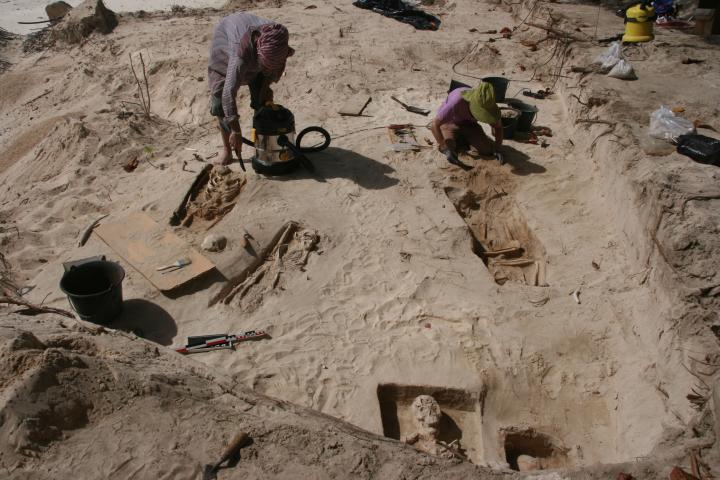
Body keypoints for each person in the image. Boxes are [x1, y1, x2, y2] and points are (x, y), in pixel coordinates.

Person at [208, 13, 295, 165]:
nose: (267, 70)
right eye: (264, 66)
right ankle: (228, 151)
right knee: (219, 102)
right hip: (225, 45)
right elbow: (228, 94)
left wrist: (266, 85)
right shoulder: (239, 55)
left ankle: (262, 146)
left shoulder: (276, 41)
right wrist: (235, 131)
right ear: (258, 53)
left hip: (259, 53)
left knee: (262, 100)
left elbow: (272, 67)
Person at [431, 82, 503, 167]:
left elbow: (498, 127)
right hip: (450, 122)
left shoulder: (487, 104)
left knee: (487, 150)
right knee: (450, 147)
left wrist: (497, 148)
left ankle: (464, 139)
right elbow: (434, 125)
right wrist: (445, 148)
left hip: (469, 124)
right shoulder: (456, 101)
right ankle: (458, 140)